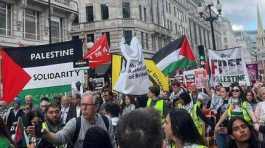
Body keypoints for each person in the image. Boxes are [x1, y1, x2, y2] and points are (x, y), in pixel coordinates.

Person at [41, 91, 114, 148]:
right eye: (82, 104)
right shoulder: (75, 123)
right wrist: (47, 134)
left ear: (96, 106)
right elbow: (60, 138)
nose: (84, 108)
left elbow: (112, 144)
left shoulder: (106, 121)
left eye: (87, 105)